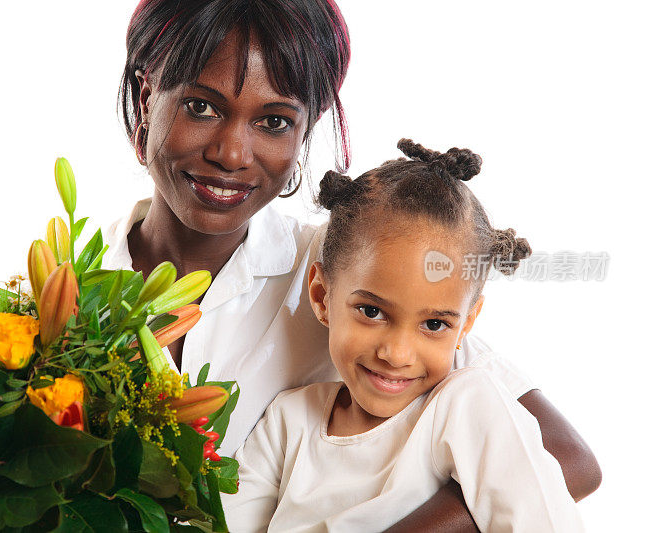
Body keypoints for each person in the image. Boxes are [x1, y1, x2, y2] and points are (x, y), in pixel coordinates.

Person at [104, 0, 600, 529]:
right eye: (201, 107)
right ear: (146, 97)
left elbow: (567, 460)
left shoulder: (347, 269)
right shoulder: (65, 295)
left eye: (274, 121)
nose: (232, 153)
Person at [222, 140, 584, 532]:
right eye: (372, 312)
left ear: (466, 325)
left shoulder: (467, 407)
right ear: (322, 296)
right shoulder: (287, 422)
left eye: (434, 325)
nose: (396, 354)